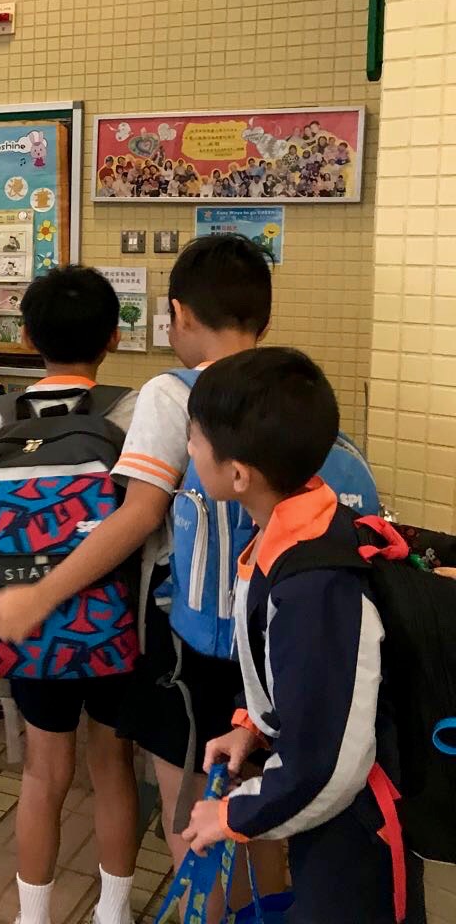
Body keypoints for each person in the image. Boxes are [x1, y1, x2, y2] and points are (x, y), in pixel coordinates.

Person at [0, 234, 280, 910]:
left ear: (176, 313)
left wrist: (37, 597)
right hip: (259, 631)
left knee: (155, 800)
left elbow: (142, 514)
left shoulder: (165, 396)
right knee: (250, 799)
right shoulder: (290, 389)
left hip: (171, 634)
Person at [180, 349, 426, 924]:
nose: (188, 450)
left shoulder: (315, 584)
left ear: (238, 475)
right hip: (334, 811)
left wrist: (234, 816)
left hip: (361, 822)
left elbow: (329, 761)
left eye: (193, 439)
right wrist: (254, 728)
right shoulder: (294, 524)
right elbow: (289, 673)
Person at [0, 266, 141, 924]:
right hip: (111, 624)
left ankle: (33, 916)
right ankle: (113, 911)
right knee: (112, 765)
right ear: (112, 338)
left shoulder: (3, 415)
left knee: (43, 774)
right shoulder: (125, 411)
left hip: (25, 622)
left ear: (25, 336)